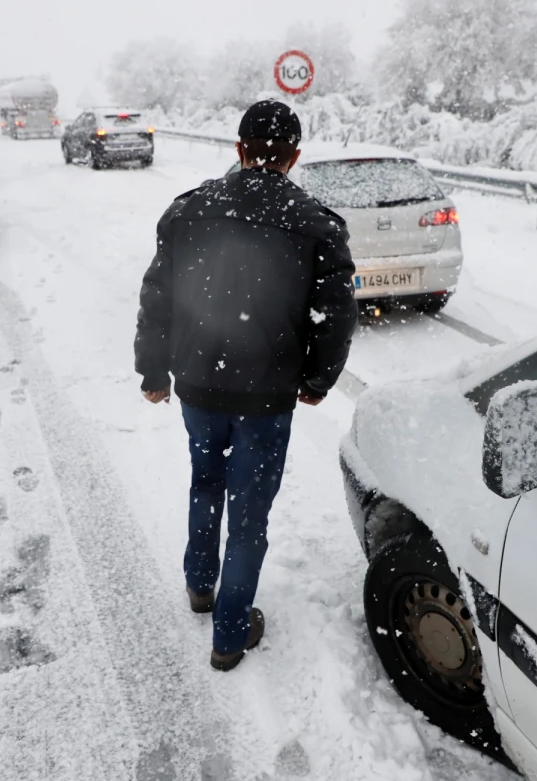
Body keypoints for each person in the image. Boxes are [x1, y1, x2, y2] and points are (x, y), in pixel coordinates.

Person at [134, 100, 357, 671]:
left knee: (205, 481)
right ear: (295, 157)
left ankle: (200, 586)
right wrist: (317, 380)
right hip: (266, 394)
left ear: (239, 149)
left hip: (199, 386)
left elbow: (157, 297)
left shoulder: (189, 210)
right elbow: (335, 314)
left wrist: (153, 371)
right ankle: (230, 633)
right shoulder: (315, 224)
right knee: (249, 511)